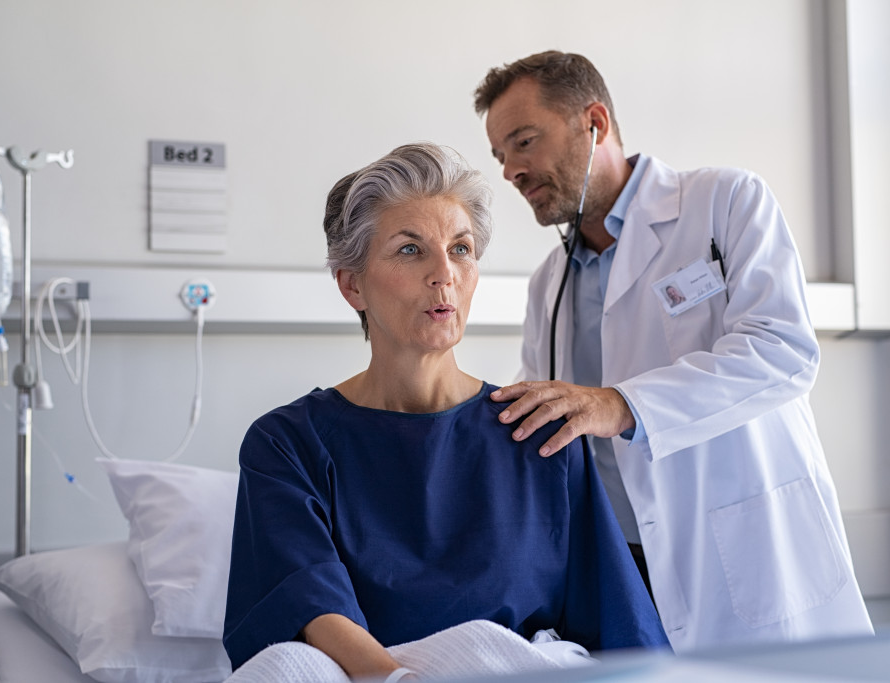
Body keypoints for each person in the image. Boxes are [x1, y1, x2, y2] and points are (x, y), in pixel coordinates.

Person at [473, 51, 873, 652]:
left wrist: (622, 405)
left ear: (595, 123)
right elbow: (550, 418)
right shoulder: (548, 282)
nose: (511, 171)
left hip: (746, 547)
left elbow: (782, 350)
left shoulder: (726, 202)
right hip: (621, 569)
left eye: (524, 142)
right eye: (501, 156)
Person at [222, 142, 667, 680]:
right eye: (411, 250)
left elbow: (624, 630)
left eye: (460, 249)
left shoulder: (539, 432)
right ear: (351, 284)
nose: (445, 274)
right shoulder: (288, 443)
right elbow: (306, 604)